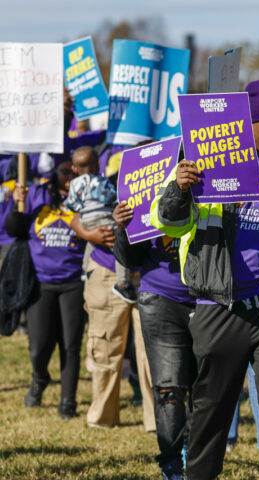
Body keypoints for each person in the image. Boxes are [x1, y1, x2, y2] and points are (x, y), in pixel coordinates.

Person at [150, 80, 259, 480]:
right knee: (211, 410)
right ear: (246, 121)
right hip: (217, 306)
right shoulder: (200, 160)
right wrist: (179, 188)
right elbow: (167, 223)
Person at [112, 201, 195, 480]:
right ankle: (171, 465)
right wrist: (122, 227)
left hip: (210, 301)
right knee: (168, 389)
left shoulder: (214, 177)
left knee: (206, 390)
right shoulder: (145, 187)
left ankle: (197, 457)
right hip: (161, 300)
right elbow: (130, 259)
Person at [71, 170, 154, 432]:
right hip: (106, 273)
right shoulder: (112, 176)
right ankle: (103, 418)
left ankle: (160, 420)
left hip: (152, 274)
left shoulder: (173, 177)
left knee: (155, 351)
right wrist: (84, 231)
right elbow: (73, 208)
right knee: (106, 345)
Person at [6, 161, 86, 419]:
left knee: (70, 345)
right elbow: (14, 230)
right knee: (39, 346)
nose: (69, 177)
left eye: (75, 173)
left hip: (74, 281)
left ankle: (68, 403)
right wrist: (17, 205)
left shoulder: (85, 194)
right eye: (65, 171)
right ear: (55, 173)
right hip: (41, 282)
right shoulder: (37, 194)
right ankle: (40, 378)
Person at [65, 146, 136, 302]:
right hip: (104, 218)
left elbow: (71, 204)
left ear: (75, 169)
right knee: (119, 249)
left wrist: (83, 209)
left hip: (86, 220)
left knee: (92, 242)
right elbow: (109, 198)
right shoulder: (100, 181)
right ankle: (123, 283)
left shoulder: (74, 183)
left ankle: (85, 270)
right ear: (97, 165)